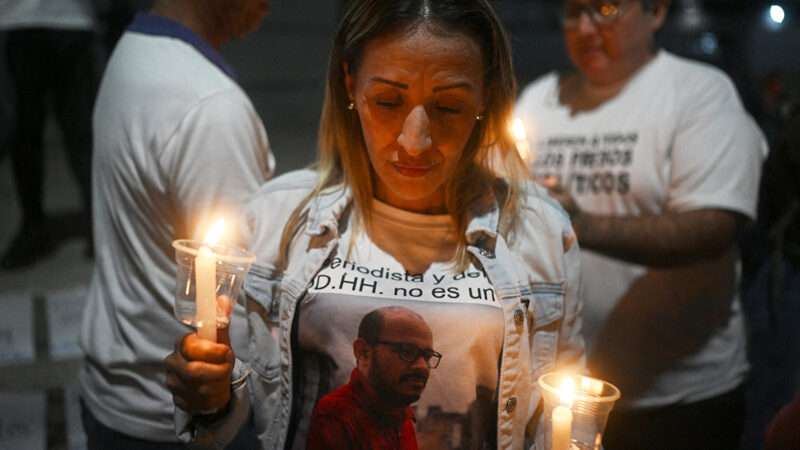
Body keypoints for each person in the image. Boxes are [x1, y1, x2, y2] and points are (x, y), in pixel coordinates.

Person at [165, 1, 585, 449]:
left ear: (485, 96)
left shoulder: (538, 232)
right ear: (350, 84)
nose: (415, 141)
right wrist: (211, 396)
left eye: (448, 107)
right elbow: (238, 425)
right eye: (387, 100)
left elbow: (561, 415)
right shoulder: (277, 219)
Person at [514, 1, 766, 449]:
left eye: (606, 9)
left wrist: (573, 221)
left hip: (677, 401)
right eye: (573, 13)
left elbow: (712, 226)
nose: (587, 27)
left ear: (656, 13)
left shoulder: (699, 93)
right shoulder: (540, 99)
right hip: (560, 394)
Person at [79, 0, 274, 448]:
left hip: (115, 394)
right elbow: (241, 304)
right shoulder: (209, 106)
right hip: (179, 416)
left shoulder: (135, 47)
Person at [0, 0, 98, 269]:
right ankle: (32, 225)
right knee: (23, 131)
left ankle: (97, 222)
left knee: (82, 132)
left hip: (73, 18)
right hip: (18, 19)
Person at [307, 306, 438, 450]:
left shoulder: (400, 414)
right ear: (363, 352)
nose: (422, 366)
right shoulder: (335, 417)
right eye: (406, 351)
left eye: (427, 356)